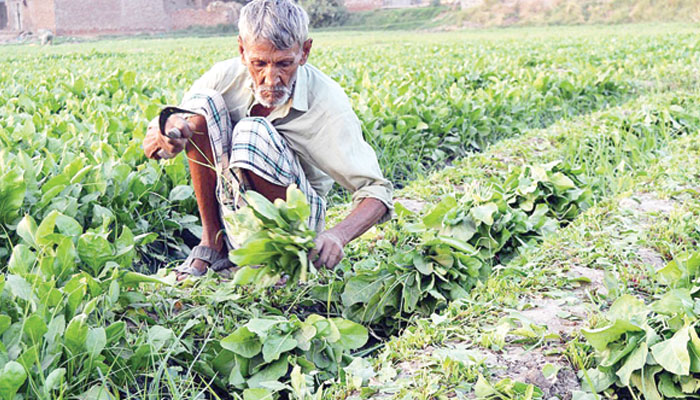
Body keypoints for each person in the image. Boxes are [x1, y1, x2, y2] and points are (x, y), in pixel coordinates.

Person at [142, 0, 393, 279]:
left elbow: (377, 191)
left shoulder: (328, 104)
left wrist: (338, 235)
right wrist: (166, 135)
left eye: (284, 64)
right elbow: (165, 131)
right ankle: (212, 243)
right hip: (231, 207)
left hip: (295, 228)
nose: (271, 78)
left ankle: (276, 259)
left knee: (252, 131)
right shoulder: (225, 76)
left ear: (304, 52)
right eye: (258, 63)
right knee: (200, 106)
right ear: (242, 50)